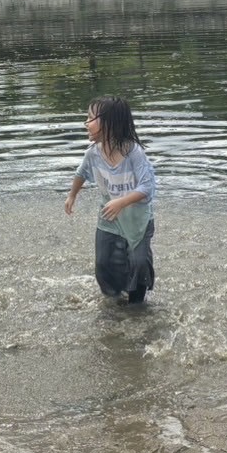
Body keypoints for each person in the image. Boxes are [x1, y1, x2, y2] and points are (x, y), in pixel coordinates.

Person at [64, 96, 157, 303]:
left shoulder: (134, 153)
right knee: (103, 264)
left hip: (137, 220)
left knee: (139, 263)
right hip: (109, 218)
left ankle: (136, 306)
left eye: (90, 118)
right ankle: (113, 300)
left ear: (109, 123)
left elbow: (147, 187)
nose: (86, 123)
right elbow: (81, 173)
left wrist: (121, 202)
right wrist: (72, 195)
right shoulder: (93, 154)